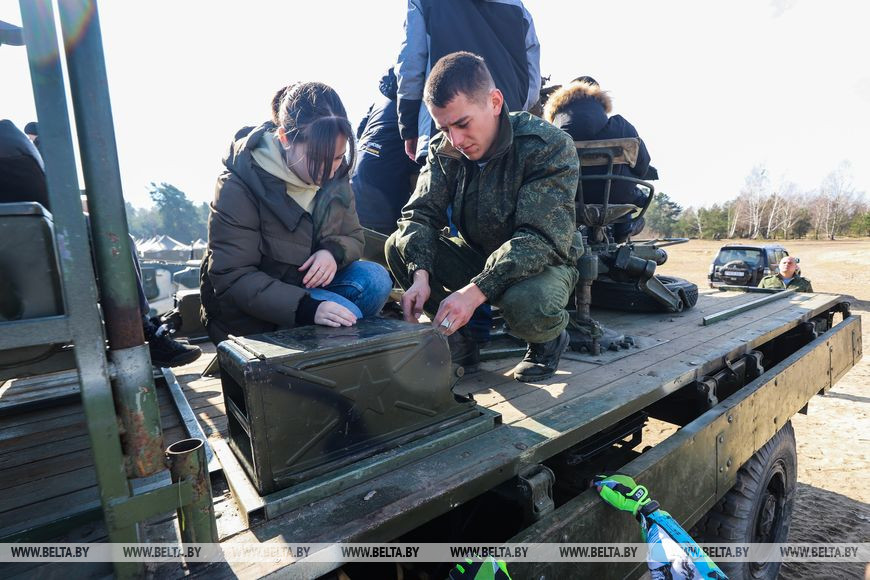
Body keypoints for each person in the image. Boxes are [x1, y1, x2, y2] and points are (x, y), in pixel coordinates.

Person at [386, 52, 582, 383]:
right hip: (477, 254)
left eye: (462, 124)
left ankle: (547, 340)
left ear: (494, 102)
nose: (456, 140)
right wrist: (420, 276)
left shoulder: (547, 145)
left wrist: (474, 292)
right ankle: (461, 340)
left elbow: (538, 240)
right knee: (398, 246)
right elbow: (419, 216)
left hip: (542, 264)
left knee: (527, 303)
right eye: (444, 128)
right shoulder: (445, 148)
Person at [200, 82, 393, 344]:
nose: (329, 170)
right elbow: (233, 278)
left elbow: (353, 236)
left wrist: (332, 252)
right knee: (348, 320)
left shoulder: (336, 175)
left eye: (338, 157)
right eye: (317, 158)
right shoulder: (237, 185)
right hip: (256, 315)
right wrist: (307, 308)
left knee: (376, 278)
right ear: (284, 138)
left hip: (308, 290)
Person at [0, 119, 201, 368]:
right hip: (35, 307)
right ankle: (142, 329)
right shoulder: (11, 145)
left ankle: (143, 327)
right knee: (111, 235)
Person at [396, 0, 541, 164]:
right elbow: (532, 79)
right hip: (506, 132)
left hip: (444, 140)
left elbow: (410, 66)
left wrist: (409, 127)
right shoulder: (517, 7)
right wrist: (512, 109)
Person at [543, 77, 657, 241]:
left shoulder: (552, 131)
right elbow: (642, 166)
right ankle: (624, 229)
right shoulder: (621, 127)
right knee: (620, 183)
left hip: (569, 196)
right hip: (614, 196)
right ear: (599, 97)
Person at [351, 67, 419, 235]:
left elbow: (360, 131)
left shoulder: (380, 99)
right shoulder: (417, 109)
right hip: (382, 208)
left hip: (352, 191)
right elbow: (418, 163)